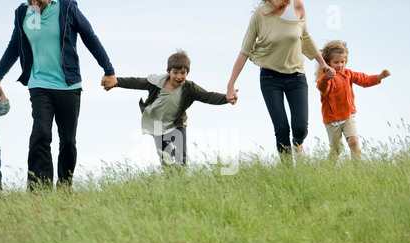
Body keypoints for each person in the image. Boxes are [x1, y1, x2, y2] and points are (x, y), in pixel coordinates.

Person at [0, 0, 118, 190]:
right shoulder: (22, 12)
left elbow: (89, 36)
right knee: (40, 134)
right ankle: (40, 189)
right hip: (39, 84)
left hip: (69, 85)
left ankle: (65, 186)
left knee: (67, 141)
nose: (33, 2)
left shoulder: (67, 8)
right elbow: (14, 46)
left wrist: (108, 70)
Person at [226, 0, 336, 161]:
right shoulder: (259, 15)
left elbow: (305, 38)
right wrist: (230, 85)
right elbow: (244, 51)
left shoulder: (297, 6)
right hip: (270, 79)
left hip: (296, 77)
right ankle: (287, 171)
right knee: (281, 128)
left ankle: (297, 143)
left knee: (300, 129)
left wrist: (323, 65)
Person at [112, 50, 237, 166]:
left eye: (183, 73)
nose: (179, 77)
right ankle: (169, 183)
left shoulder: (189, 88)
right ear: (168, 72)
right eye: (175, 72)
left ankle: (182, 182)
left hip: (177, 124)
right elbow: (135, 82)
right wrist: (116, 82)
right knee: (165, 160)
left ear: (188, 73)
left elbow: (207, 96)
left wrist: (226, 98)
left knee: (180, 157)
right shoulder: (156, 83)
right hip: (157, 124)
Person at [316, 40, 391, 161]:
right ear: (328, 62)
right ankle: (325, 171)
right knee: (336, 150)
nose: (340, 65)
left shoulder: (348, 74)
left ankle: (358, 169)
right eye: (336, 62)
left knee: (354, 142)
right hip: (332, 119)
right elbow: (321, 87)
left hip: (347, 116)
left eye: (343, 62)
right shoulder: (326, 78)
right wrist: (327, 77)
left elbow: (364, 80)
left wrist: (379, 77)